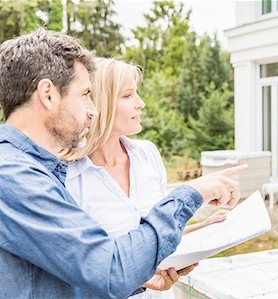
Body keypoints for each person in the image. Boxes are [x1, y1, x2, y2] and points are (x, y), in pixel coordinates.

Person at [0, 28, 244, 299]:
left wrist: (140, 276)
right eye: (84, 94)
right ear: (48, 94)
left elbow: (64, 280)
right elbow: (108, 268)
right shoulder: (12, 175)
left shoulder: (34, 169)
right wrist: (191, 194)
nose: (92, 109)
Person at [64, 57, 229, 298]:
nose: (140, 103)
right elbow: (78, 270)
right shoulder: (69, 175)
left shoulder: (147, 154)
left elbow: (155, 235)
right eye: (128, 95)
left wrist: (204, 230)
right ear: (101, 102)